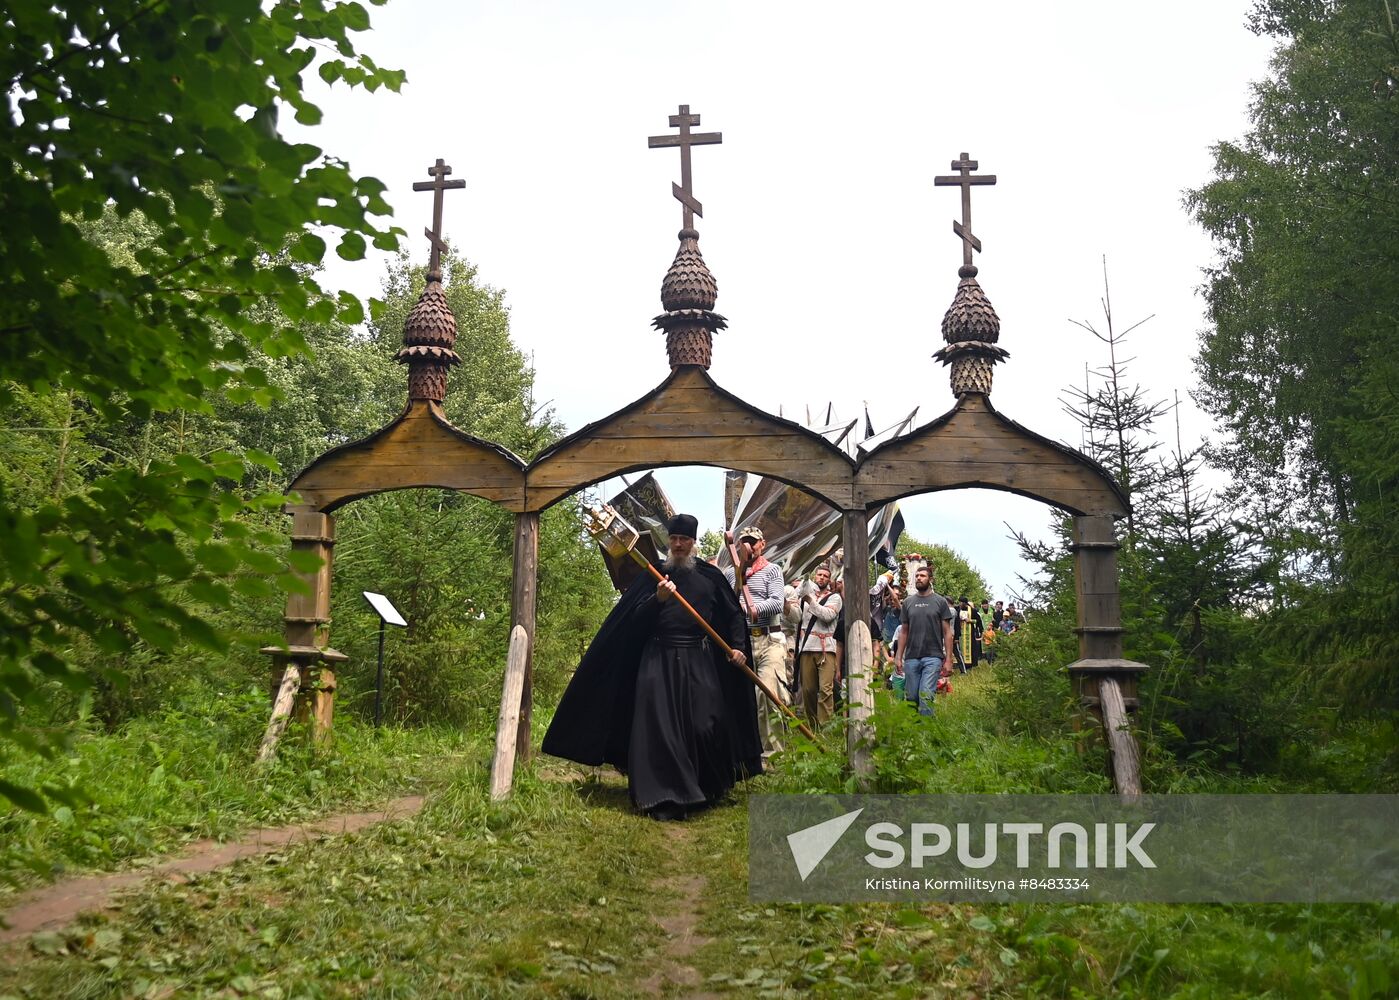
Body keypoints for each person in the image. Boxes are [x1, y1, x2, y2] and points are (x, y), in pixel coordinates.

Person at [541, 514, 762, 821]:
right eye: (674, 539)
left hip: (698, 660)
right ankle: (665, 795)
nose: (678, 545)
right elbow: (632, 621)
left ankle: (704, 787)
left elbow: (733, 615)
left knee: (705, 723)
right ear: (668, 541)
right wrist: (657, 599)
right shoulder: (654, 574)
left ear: (693, 542)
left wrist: (737, 647)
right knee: (661, 729)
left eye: (684, 540)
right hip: (658, 659)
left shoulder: (710, 576)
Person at [723, 526, 786, 753]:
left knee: (768, 692)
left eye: (753, 541)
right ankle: (748, 751)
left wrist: (749, 609)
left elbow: (777, 602)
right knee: (743, 696)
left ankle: (774, 751)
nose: (749, 546)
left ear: (762, 544)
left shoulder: (772, 570)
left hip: (769, 640)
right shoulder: (731, 573)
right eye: (745, 541)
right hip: (743, 642)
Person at [897, 564, 955, 716]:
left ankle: (926, 729)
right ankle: (913, 727)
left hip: (933, 657)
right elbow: (903, 632)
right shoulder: (908, 602)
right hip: (911, 657)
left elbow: (947, 632)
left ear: (930, 579)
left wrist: (949, 659)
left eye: (922, 576)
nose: (918, 578)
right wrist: (898, 657)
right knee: (911, 697)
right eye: (916, 576)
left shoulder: (940, 602)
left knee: (926, 696)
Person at [795, 564, 842, 726]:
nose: (821, 578)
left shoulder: (835, 598)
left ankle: (825, 727)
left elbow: (827, 615)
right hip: (807, 646)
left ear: (829, 580)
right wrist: (804, 580)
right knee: (808, 689)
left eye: (825, 576)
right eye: (819, 574)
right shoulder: (807, 592)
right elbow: (796, 604)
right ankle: (813, 725)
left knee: (825, 689)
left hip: (826, 648)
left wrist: (809, 600)